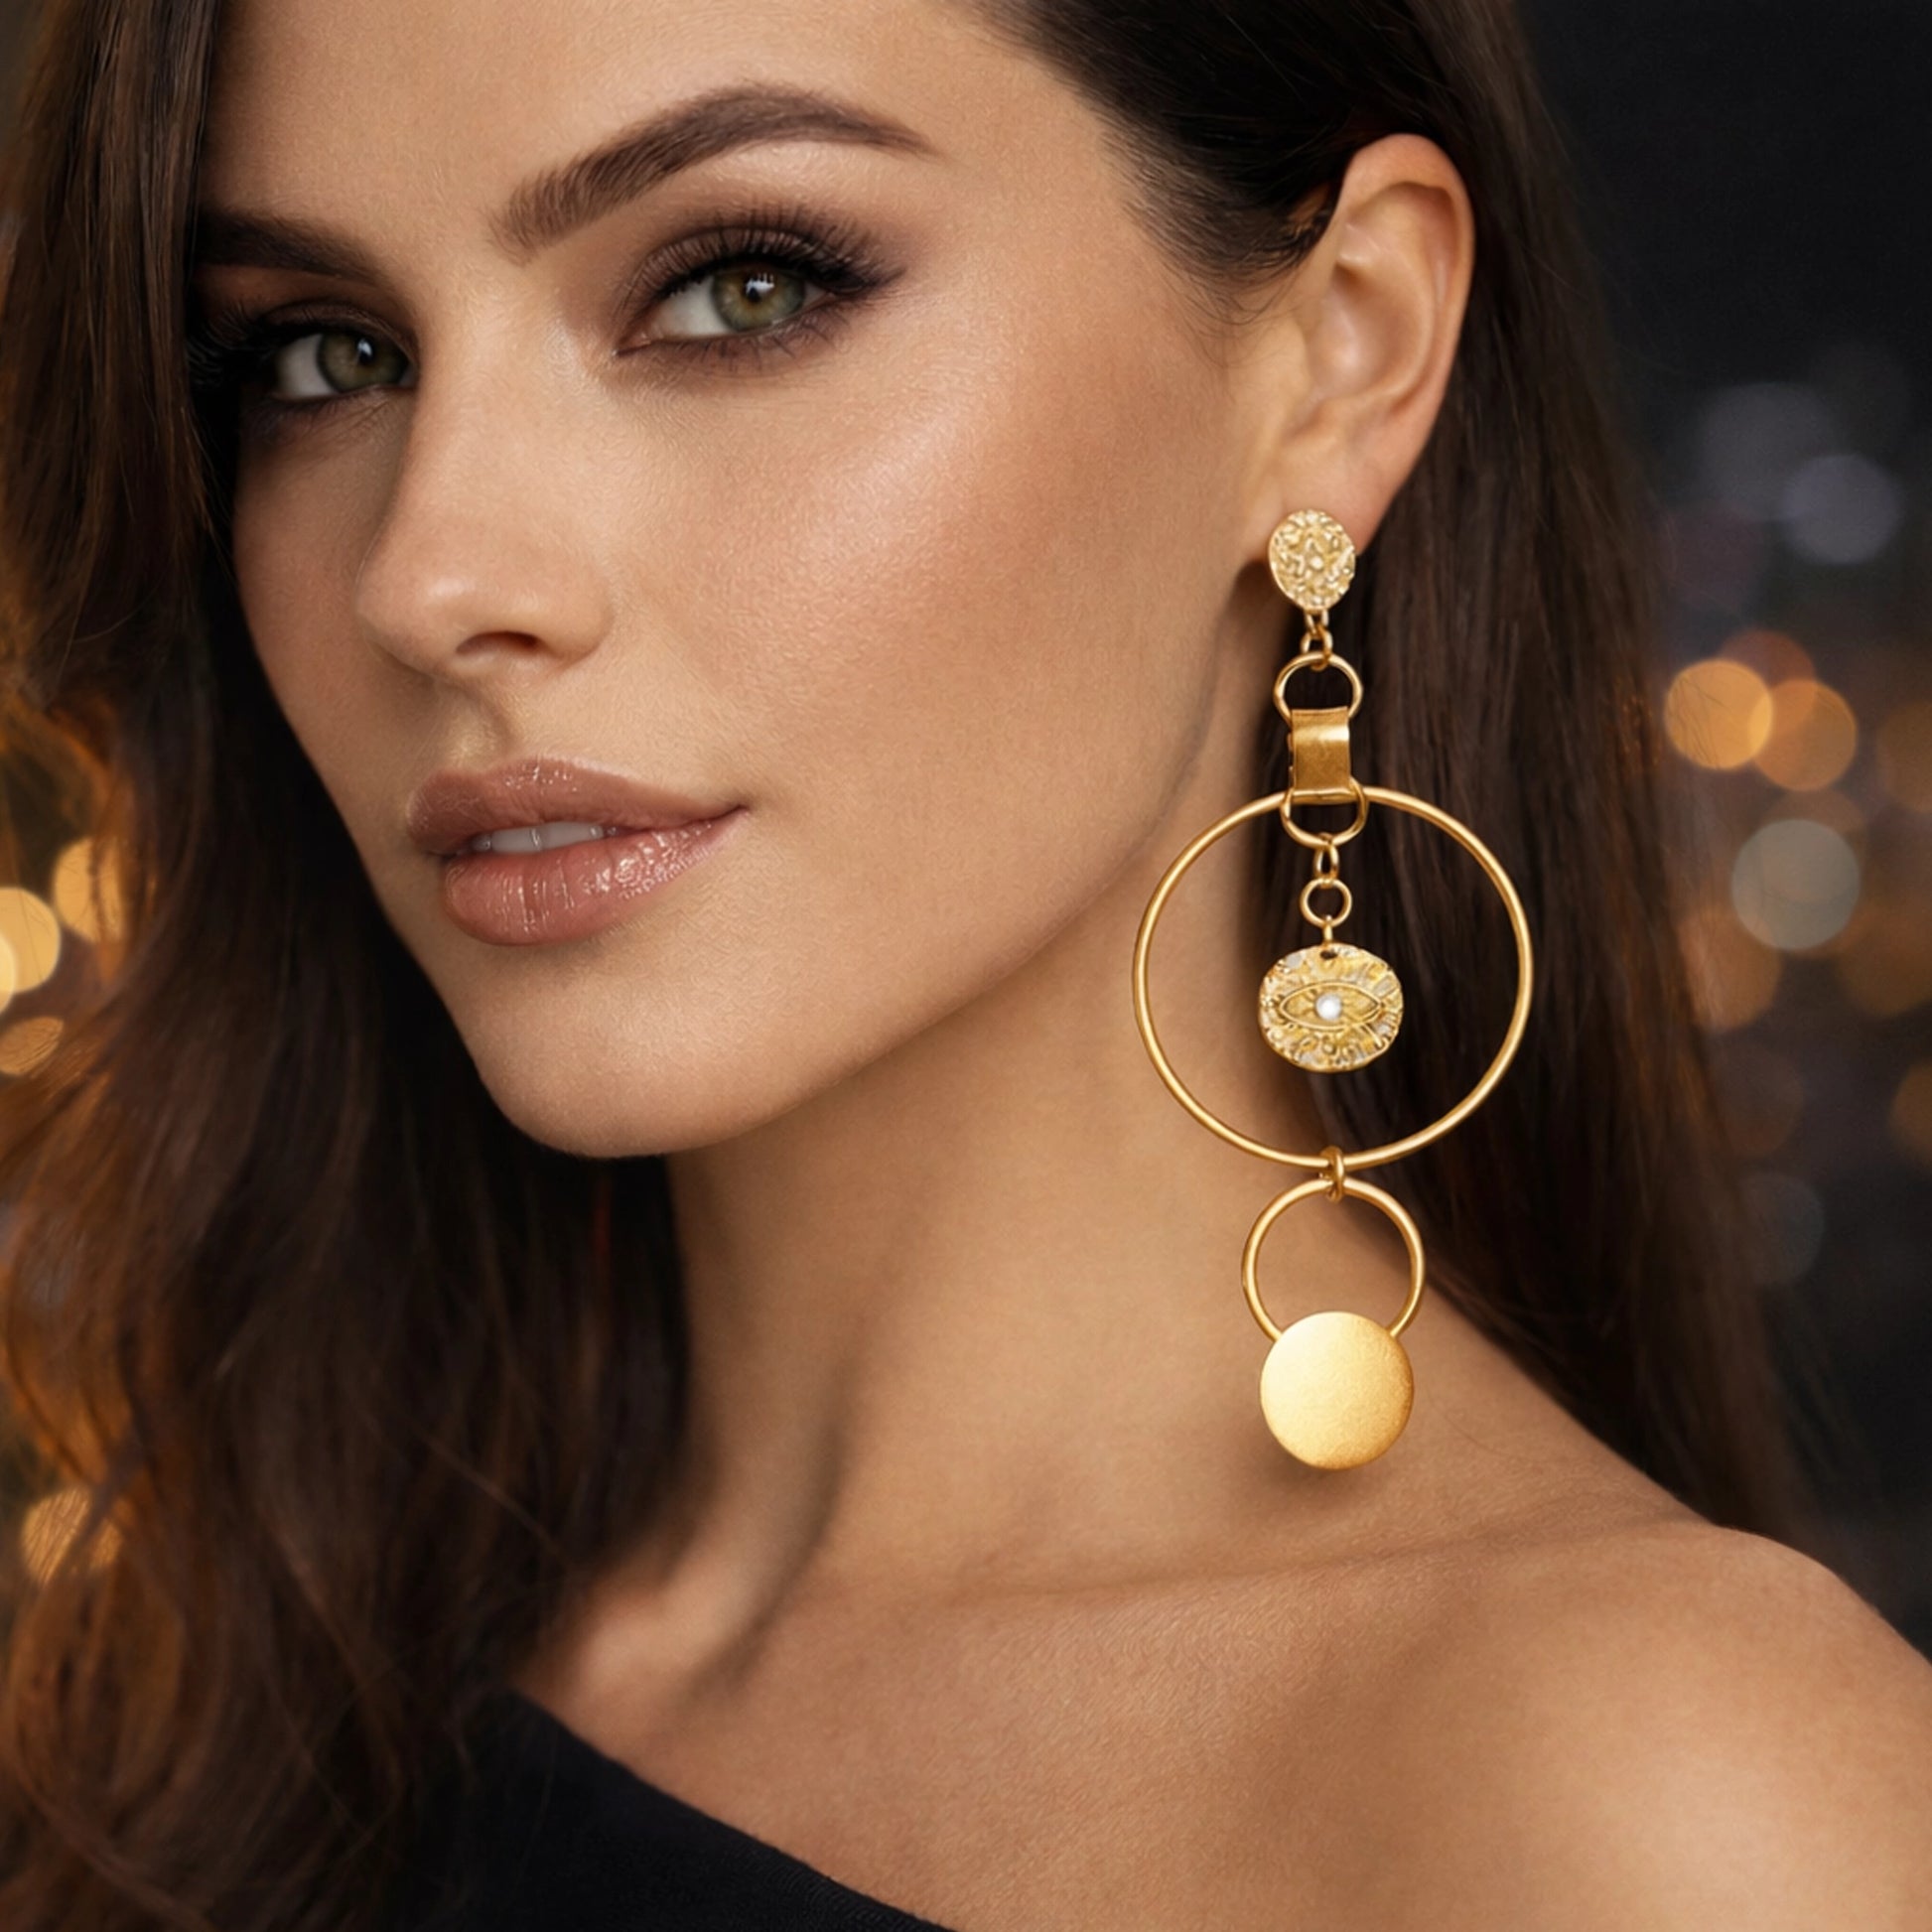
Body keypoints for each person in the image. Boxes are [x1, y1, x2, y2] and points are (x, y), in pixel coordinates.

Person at [1, 0, 1928, 1925]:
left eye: (738, 289)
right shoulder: (229, 1669)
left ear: (1341, 354)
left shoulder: (1660, 1798)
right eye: (319, 354)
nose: (428, 574)